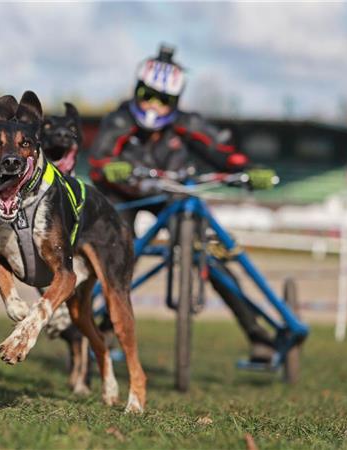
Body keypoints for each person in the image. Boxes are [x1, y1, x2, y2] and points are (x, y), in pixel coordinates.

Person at [88, 44, 276, 363]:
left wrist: (249, 171)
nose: (154, 105)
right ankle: (106, 326)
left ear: (175, 101)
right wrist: (109, 168)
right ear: (137, 90)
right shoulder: (118, 120)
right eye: (148, 94)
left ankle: (258, 335)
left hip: (171, 196)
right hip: (124, 196)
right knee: (119, 251)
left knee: (210, 256)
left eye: (164, 99)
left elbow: (223, 151)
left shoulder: (186, 123)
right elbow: (98, 160)